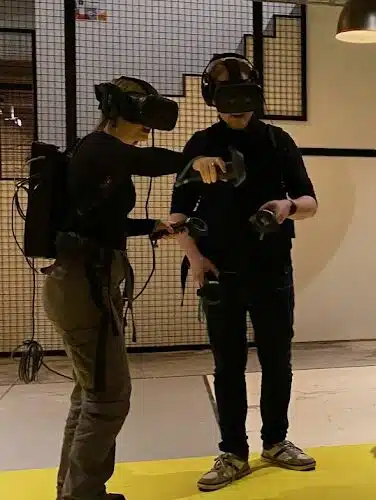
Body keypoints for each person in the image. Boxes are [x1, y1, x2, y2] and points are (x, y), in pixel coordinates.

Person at [43, 76, 225, 500]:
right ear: (119, 111)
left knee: (90, 395)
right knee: (108, 399)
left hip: (85, 282)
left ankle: (73, 491)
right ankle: (82, 495)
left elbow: (102, 224)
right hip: (83, 285)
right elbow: (147, 161)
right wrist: (194, 159)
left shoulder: (101, 156)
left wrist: (153, 226)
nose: (148, 128)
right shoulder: (98, 147)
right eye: (143, 118)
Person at [169, 53, 319, 492]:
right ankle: (233, 452)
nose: (235, 107)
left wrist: (287, 207)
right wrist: (195, 259)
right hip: (219, 270)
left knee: (278, 359)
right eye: (226, 97)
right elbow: (178, 214)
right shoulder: (200, 144)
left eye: (242, 95)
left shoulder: (278, 141)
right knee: (228, 365)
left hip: (272, 267)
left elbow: (310, 202)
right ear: (212, 98)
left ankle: (275, 441)